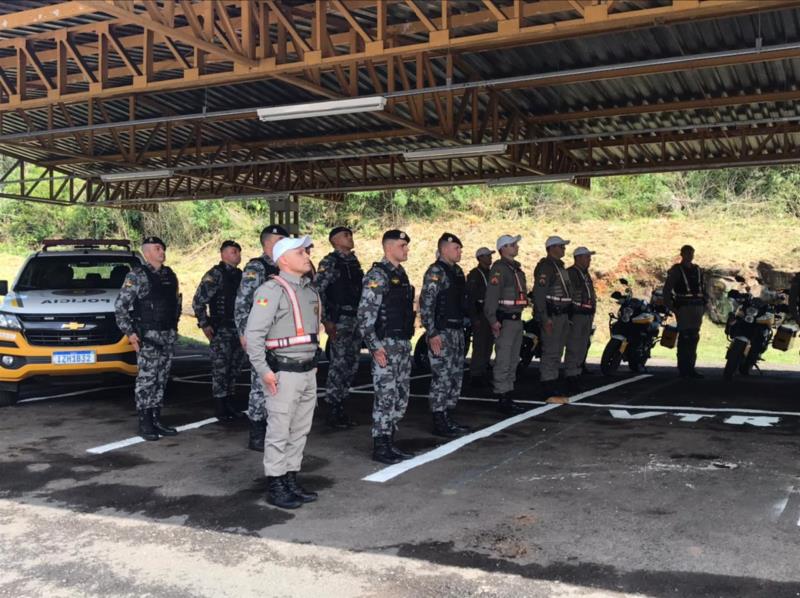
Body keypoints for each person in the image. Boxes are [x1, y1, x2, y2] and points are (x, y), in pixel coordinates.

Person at [245, 236, 321, 510]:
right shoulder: (271, 291)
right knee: (279, 431)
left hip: (307, 370)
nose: (307, 255)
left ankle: (290, 478)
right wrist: (264, 371)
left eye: (306, 251)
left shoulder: (310, 291)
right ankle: (276, 483)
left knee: (300, 430)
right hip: (283, 373)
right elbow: (253, 336)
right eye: (300, 252)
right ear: (284, 260)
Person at [114, 236, 181, 441]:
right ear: (147, 253)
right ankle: (145, 422)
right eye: (157, 248)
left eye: (162, 248)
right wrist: (131, 333)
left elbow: (175, 304)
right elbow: (120, 307)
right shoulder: (137, 276)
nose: (162, 251)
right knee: (147, 381)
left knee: (161, 380)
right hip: (148, 338)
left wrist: (174, 327)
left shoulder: (170, 275)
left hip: (167, 337)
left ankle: (156, 418)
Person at [358, 229, 415, 464]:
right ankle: (381, 445)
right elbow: (364, 316)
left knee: (400, 396)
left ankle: (390, 441)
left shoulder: (400, 274)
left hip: (401, 344)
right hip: (386, 345)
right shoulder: (377, 276)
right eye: (402, 246)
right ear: (389, 248)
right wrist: (375, 347)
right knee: (385, 396)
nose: (406, 249)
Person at [234, 225, 288, 451]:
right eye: (280, 240)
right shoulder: (257, 267)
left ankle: (275, 432)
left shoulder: (285, 266)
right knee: (260, 386)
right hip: (262, 336)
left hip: (282, 337)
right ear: (268, 243)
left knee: (282, 386)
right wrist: (244, 333)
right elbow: (242, 303)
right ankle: (257, 433)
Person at [420, 233, 471, 438]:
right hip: (442, 332)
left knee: (455, 375)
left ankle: (448, 415)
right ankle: (439, 419)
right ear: (445, 249)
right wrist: (432, 333)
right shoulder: (436, 272)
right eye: (457, 248)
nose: (460, 252)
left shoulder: (457, 272)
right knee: (441, 376)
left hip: (457, 331)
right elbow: (426, 304)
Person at [314, 226, 362, 429]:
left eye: (350, 235)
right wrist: (326, 320)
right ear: (334, 240)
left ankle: (342, 406)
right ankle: (332, 409)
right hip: (339, 319)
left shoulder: (353, 262)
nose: (350, 238)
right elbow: (318, 292)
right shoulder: (329, 262)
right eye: (345, 235)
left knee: (352, 365)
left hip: (355, 320)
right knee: (338, 365)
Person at [192, 240, 245, 422]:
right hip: (221, 330)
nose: (237, 255)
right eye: (233, 252)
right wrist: (204, 324)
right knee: (221, 368)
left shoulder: (241, 275)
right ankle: (220, 406)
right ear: (223, 254)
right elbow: (198, 301)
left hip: (238, 329)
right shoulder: (215, 275)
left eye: (238, 252)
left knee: (234, 368)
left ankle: (230, 402)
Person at [483, 234, 528, 415]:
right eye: (513, 245)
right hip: (505, 322)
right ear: (503, 248)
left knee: (512, 359)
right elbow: (492, 297)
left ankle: (508, 394)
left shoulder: (515, 269)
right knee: (503, 360)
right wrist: (493, 320)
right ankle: (502, 397)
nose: (516, 247)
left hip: (516, 320)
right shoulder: (500, 269)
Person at [532, 236, 574, 401]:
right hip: (553, 315)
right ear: (551, 248)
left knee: (557, 350)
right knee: (550, 350)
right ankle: (548, 383)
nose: (564, 249)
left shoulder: (559, 266)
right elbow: (540, 293)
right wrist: (544, 317)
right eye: (561, 246)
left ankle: (553, 380)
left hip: (562, 314)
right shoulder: (546, 267)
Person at [663, 245, 707, 378]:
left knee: (694, 337)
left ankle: (691, 368)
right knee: (685, 336)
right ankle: (683, 368)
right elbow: (667, 290)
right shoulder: (676, 270)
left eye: (691, 253)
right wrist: (672, 308)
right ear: (681, 254)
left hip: (697, 307)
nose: (689, 256)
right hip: (684, 308)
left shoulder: (698, 270)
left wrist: (705, 305)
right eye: (687, 253)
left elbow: (703, 289)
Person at [565, 246, 597, 392]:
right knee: (574, 345)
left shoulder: (585, 274)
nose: (589, 260)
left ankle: (577, 372)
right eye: (586, 257)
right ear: (578, 258)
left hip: (586, 314)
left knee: (583, 344)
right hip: (577, 315)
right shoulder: (572, 273)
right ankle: (571, 374)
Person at [466, 247, 495, 387]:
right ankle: (475, 374)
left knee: (489, 343)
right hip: (480, 315)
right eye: (487, 256)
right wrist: (474, 318)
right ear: (480, 258)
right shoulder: (475, 274)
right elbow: (470, 298)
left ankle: (483, 370)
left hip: (489, 314)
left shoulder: (491, 273)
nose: (490, 258)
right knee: (480, 345)